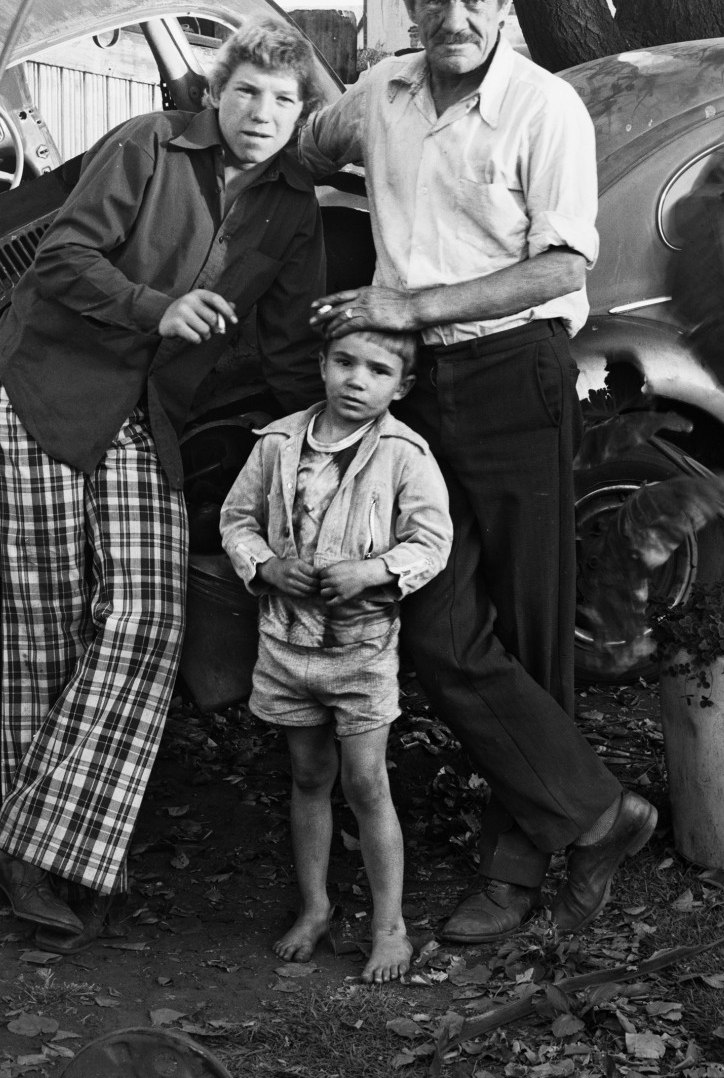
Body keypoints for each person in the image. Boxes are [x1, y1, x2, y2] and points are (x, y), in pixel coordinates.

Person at [302, 0, 655, 944]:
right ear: (406, 6)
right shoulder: (382, 93)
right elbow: (302, 140)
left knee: (528, 622)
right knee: (439, 619)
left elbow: (562, 266)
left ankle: (514, 868)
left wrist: (407, 307)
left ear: (504, 4)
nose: (452, 16)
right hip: (409, 391)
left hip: (512, 372)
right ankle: (597, 816)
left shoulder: (545, 110)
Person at [0, 17, 328, 943]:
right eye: (248, 90)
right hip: (47, 390)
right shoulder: (148, 144)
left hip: (147, 416)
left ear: (301, 114)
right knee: (47, 621)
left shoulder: (294, 207)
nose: (262, 112)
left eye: (284, 100)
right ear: (218, 91)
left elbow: (290, 352)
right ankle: (51, 870)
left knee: (148, 613)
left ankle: (25, 843)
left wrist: (311, 461)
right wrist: (156, 308)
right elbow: (61, 260)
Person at [218, 320, 451, 983]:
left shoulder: (405, 453)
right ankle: (316, 906)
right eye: (344, 362)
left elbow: (431, 541)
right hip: (287, 647)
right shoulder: (277, 444)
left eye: (378, 371)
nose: (356, 380)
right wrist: (264, 564)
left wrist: (373, 571)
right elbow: (235, 518)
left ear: (400, 386)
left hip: (360, 651)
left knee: (365, 781)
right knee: (308, 777)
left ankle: (388, 925)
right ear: (321, 364)